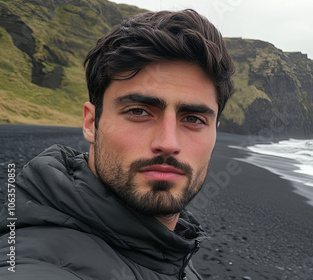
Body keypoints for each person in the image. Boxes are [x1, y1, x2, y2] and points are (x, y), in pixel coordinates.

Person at [0, 9, 234, 279]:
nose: (168, 143)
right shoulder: (30, 264)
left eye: (193, 118)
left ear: (214, 132)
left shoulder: (170, 248)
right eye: (138, 111)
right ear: (91, 123)